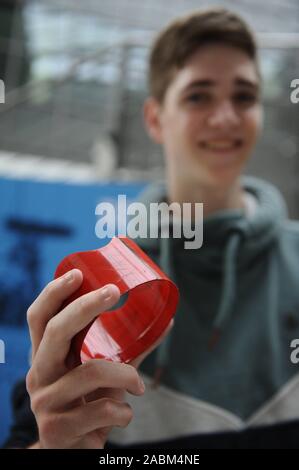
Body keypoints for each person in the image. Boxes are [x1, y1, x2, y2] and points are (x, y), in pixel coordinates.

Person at [4, 7, 299, 449]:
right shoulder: (97, 291)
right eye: (198, 96)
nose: (225, 118)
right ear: (155, 119)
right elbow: (29, 436)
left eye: (244, 96)